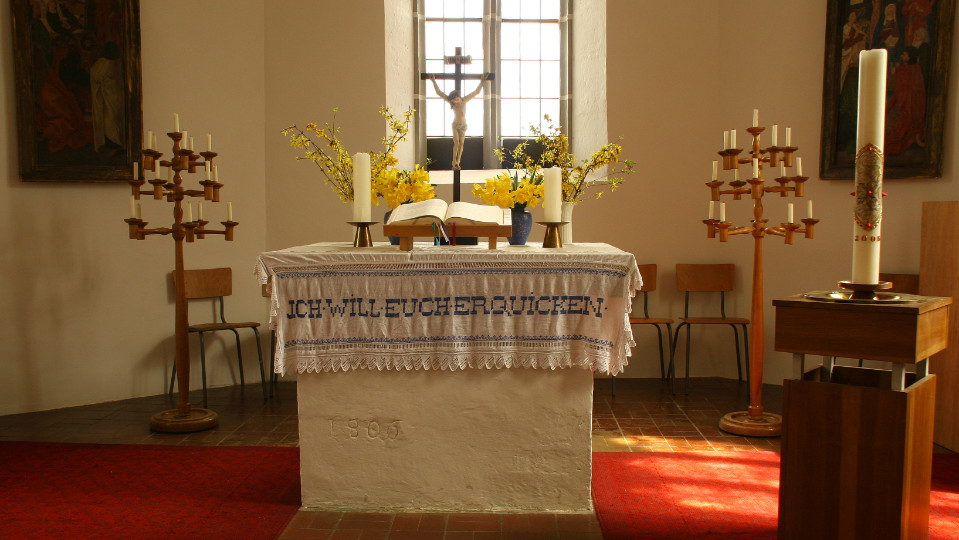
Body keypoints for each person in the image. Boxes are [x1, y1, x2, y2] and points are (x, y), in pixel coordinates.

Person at [429, 73, 488, 170]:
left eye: (456, 98)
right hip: (455, 125)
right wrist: (433, 81)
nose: (455, 100)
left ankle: (458, 162)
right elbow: (439, 92)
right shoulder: (452, 102)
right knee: (456, 143)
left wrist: (482, 81)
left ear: (458, 96)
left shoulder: (465, 100)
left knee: (461, 144)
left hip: (463, 126)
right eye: (453, 99)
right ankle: (453, 161)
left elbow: (476, 92)